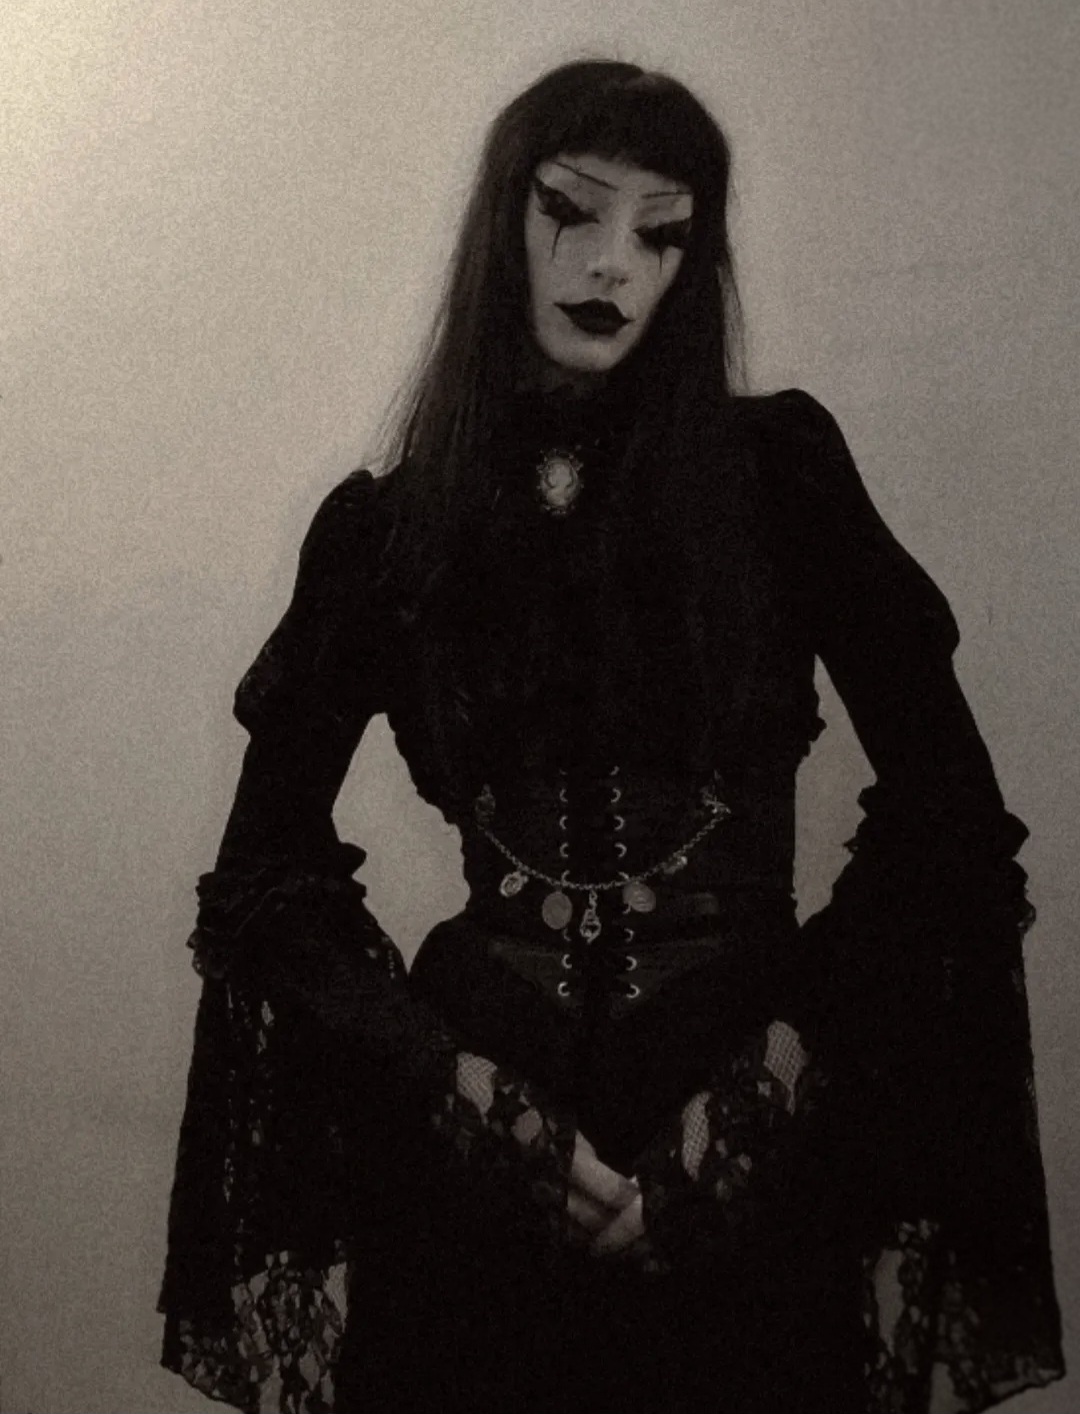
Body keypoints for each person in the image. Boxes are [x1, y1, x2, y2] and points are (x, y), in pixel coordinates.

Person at [158, 60, 1064, 1414]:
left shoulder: (780, 480)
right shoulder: (389, 532)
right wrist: (461, 1092)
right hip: (476, 1132)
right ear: (505, 223)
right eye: (571, 211)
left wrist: (762, 1093)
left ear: (695, 259)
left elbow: (953, 827)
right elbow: (262, 879)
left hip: (746, 1100)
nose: (610, 264)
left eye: (661, 232)